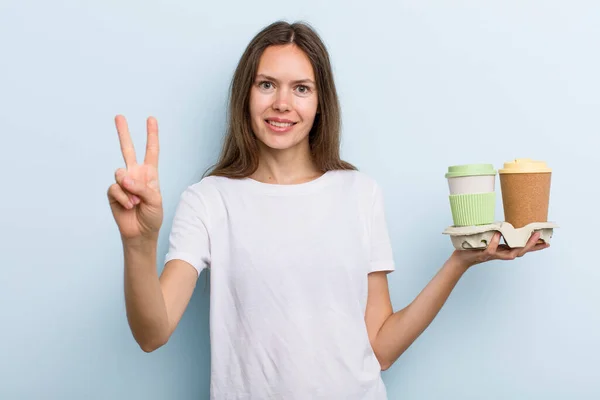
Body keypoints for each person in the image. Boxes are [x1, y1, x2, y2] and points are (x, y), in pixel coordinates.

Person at [107, 20, 549, 400]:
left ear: (320, 102)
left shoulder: (360, 193)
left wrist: (460, 261)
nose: (282, 103)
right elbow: (153, 333)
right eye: (267, 85)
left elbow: (381, 348)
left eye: (301, 88)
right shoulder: (208, 199)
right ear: (246, 94)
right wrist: (139, 243)